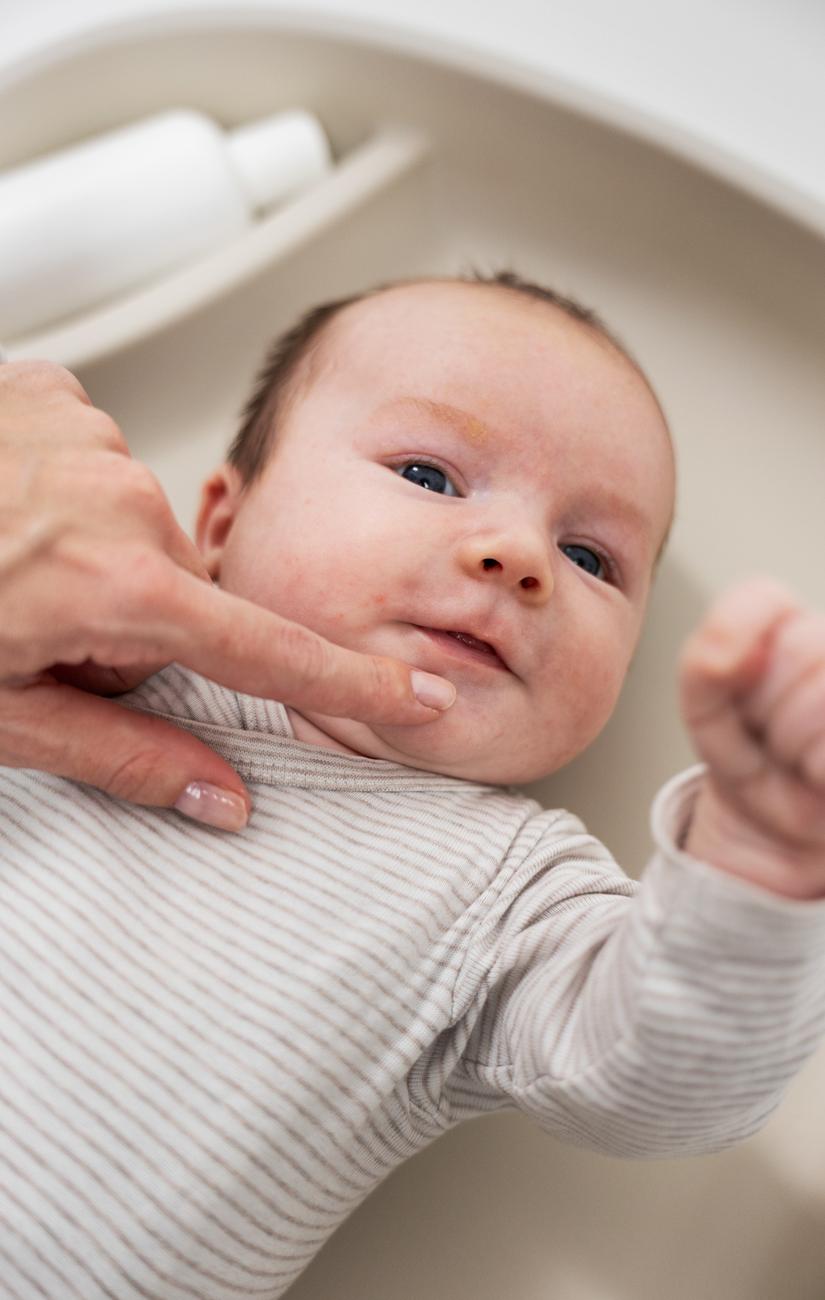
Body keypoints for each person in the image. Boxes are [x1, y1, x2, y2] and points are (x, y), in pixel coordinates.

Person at [2, 268, 825, 1300]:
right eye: (430, 476)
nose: (518, 554)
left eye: (590, 555)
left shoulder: (511, 889)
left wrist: (756, 858)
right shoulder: (73, 644)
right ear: (219, 522)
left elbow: (665, 1086)